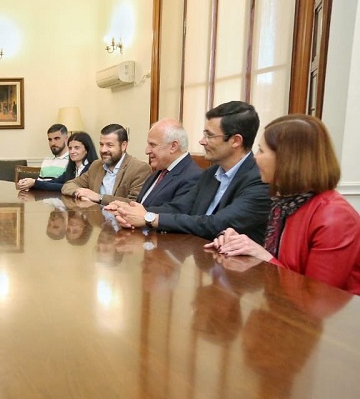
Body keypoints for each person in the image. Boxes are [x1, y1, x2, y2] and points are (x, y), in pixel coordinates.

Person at [205, 114, 360, 294]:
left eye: (261, 151)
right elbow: (286, 265)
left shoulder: (335, 217)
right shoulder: (286, 203)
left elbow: (317, 298)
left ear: (287, 159)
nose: (255, 158)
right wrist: (240, 243)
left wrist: (262, 255)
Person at [109, 101, 271, 243]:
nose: (202, 141)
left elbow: (216, 223)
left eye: (210, 136)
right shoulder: (211, 173)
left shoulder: (259, 180)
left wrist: (149, 218)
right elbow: (180, 208)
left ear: (235, 141)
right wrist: (129, 210)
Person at [61, 124, 152, 204]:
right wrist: (81, 194)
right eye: (101, 144)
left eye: (109, 145)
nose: (103, 150)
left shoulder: (140, 168)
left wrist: (99, 198)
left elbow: (134, 203)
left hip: (120, 222)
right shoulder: (96, 166)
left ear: (123, 145)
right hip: (95, 220)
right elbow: (68, 185)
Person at [136, 118, 202, 206]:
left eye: (153, 145)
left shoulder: (193, 177)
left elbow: (175, 213)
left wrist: (135, 214)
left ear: (173, 147)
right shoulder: (159, 171)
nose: (147, 151)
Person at [17, 131, 97, 191]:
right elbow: (55, 182)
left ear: (86, 150)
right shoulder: (72, 168)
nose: (72, 151)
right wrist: (30, 183)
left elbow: (68, 187)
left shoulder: (92, 168)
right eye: (70, 148)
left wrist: (35, 183)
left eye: (76, 148)